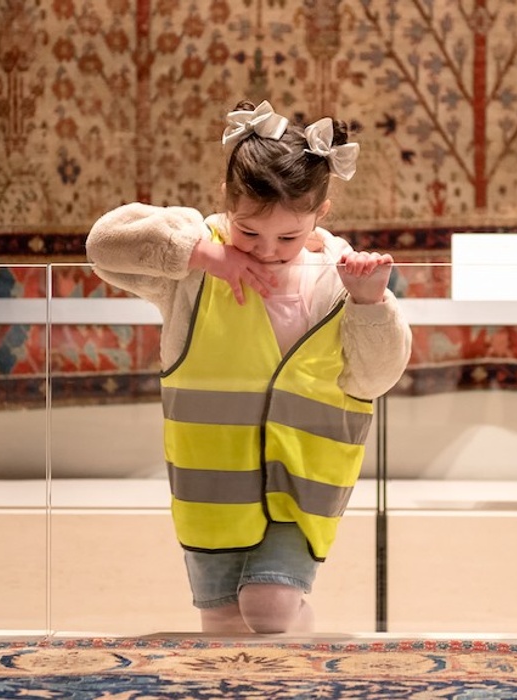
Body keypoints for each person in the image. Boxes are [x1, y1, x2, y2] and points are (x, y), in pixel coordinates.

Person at [87, 100, 411, 634]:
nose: (267, 251)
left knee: (271, 607)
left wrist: (371, 303)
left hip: (304, 481)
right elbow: (103, 244)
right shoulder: (192, 269)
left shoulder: (341, 278)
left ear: (321, 214)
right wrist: (203, 253)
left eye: (288, 237)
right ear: (226, 203)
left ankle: (298, 674)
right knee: (221, 617)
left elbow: (376, 378)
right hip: (211, 482)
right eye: (249, 233)